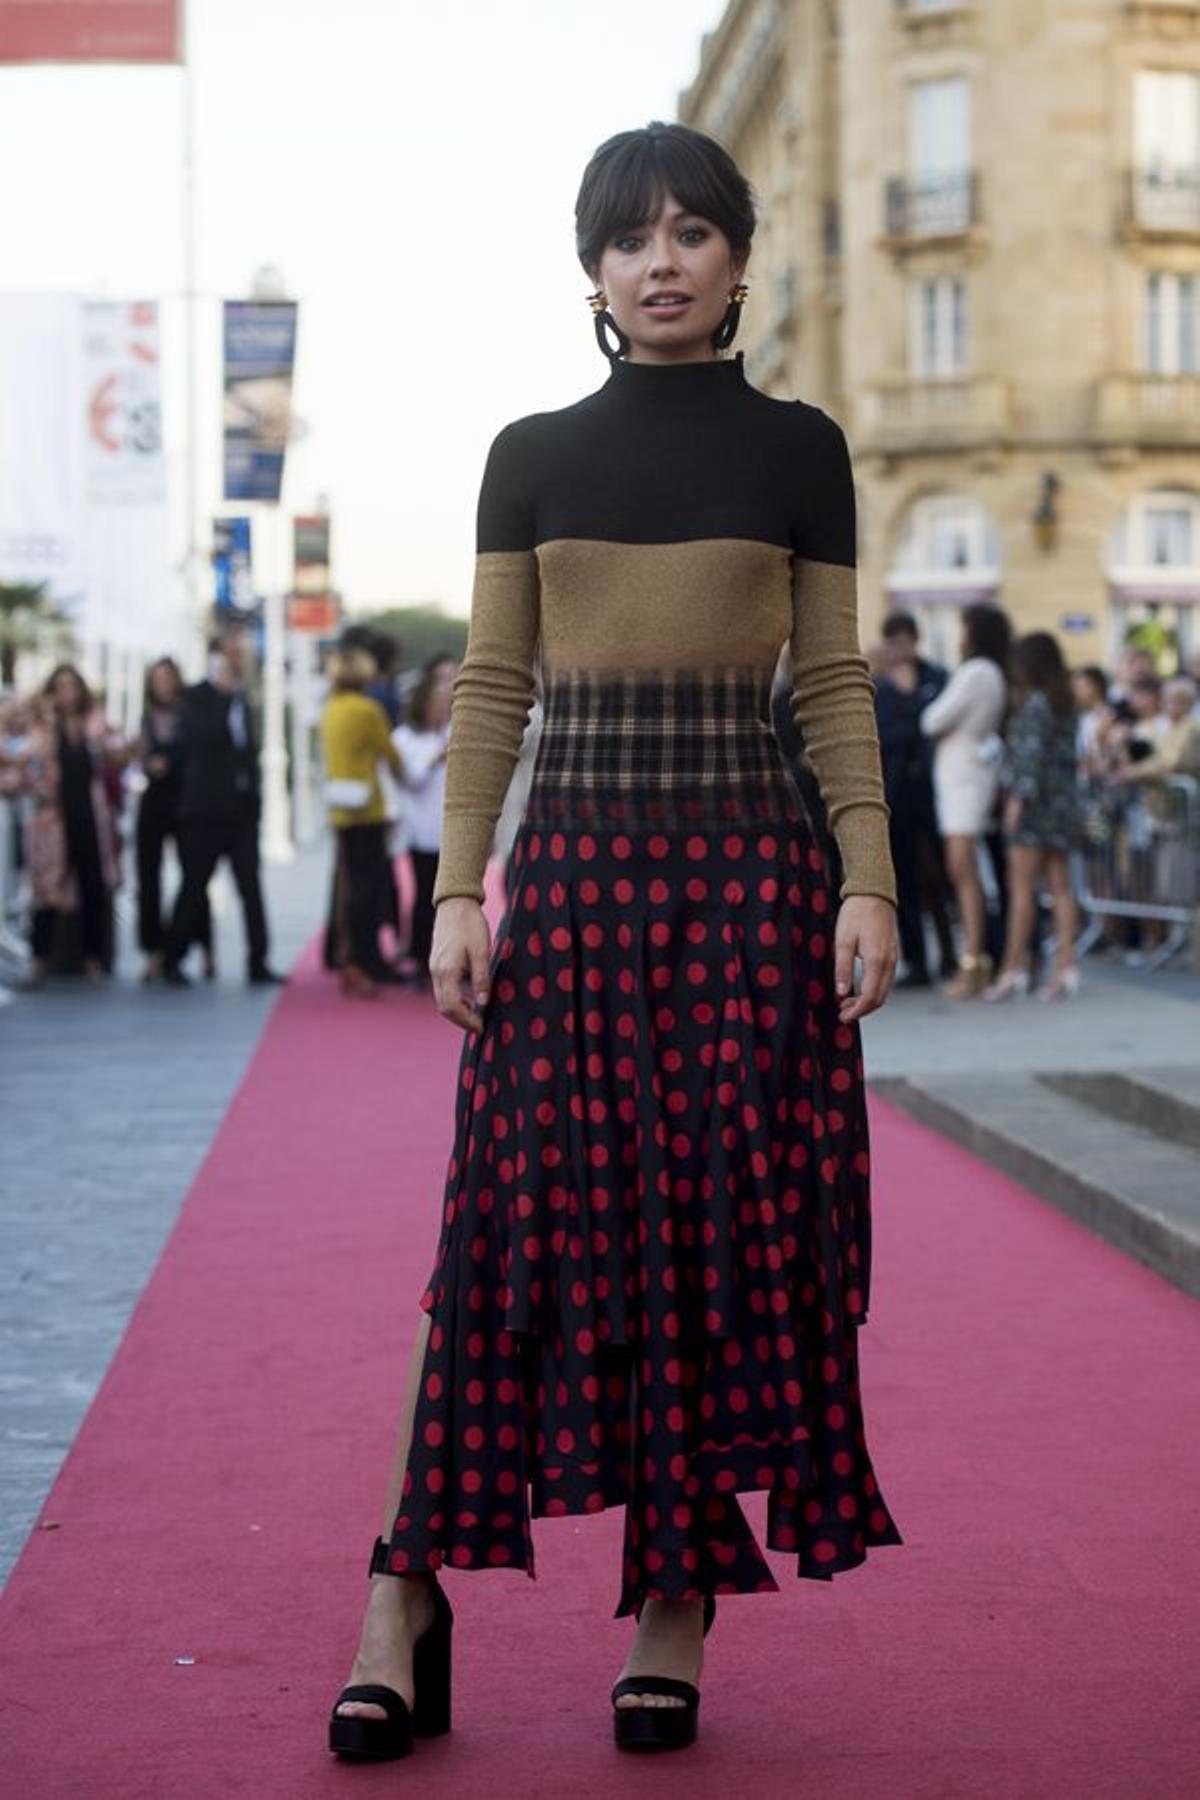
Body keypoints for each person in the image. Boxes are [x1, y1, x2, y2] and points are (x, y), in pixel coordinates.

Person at [329, 120, 902, 1765]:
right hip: (571, 901)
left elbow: (835, 684)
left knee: (720, 1250)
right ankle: (401, 1595)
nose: (662, 260)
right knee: (494, 1248)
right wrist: (455, 892)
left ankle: (676, 1604)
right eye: (630, 237)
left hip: (749, 905)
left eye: (693, 232)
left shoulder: (801, 450)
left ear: (737, 260)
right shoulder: (529, 454)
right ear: (590, 268)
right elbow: (493, 686)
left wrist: (866, 876)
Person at [162, 631, 286, 988]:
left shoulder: (243, 698)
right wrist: (222, 695)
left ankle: (258, 960)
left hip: (241, 812)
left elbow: (247, 752)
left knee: (251, 887)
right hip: (204, 812)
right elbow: (205, 738)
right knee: (194, 886)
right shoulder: (199, 697)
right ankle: (173, 958)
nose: (239, 659)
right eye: (233, 653)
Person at [982, 633, 1082, 1002]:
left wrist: (1015, 802)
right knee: (1061, 888)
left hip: (1034, 806)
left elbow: (1030, 759)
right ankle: (1065, 967)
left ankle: (1012, 969)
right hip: (1063, 806)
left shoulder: (1036, 704)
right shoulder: (1066, 702)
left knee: (1021, 890)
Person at [919, 603, 1011, 998]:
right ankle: (975, 959)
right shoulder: (991, 671)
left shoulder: (976, 672)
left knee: (964, 869)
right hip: (966, 777)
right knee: (966, 870)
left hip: (964, 779)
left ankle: (973, 961)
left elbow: (932, 719)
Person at [22, 666, 122, 984]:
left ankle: (93, 959)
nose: (67, 694)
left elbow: (118, 755)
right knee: (47, 889)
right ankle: (40, 960)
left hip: (90, 816)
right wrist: (48, 719)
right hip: (54, 819)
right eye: (60, 687)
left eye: (72, 687)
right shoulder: (42, 726)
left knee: (93, 884)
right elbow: (29, 759)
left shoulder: (94, 724)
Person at [319, 642, 406, 999]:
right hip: (368, 808)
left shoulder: (332, 708)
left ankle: (348, 957)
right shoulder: (368, 710)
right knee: (369, 890)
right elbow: (391, 754)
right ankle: (366, 960)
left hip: (341, 808)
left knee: (349, 887)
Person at [877, 613, 955, 986]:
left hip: (935, 790)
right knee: (906, 880)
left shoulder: (937, 678)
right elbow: (885, 735)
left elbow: (940, 726)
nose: (899, 649)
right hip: (897, 795)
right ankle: (917, 961)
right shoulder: (879, 687)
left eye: (904, 640)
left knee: (943, 876)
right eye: (893, 642)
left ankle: (954, 955)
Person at [135, 657, 214, 984]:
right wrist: (147, 763)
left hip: (186, 802)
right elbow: (140, 755)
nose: (163, 684)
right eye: (157, 678)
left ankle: (200, 948)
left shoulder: (190, 713)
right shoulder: (148, 718)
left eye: (168, 677)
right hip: (154, 802)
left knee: (194, 878)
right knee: (148, 879)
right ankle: (155, 951)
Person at [391, 654, 455, 986]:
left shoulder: (454, 732)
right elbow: (409, 780)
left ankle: (453, 958)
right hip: (421, 831)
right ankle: (419, 957)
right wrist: (435, 759)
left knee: (453, 897)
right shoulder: (404, 738)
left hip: (451, 830)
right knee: (422, 897)